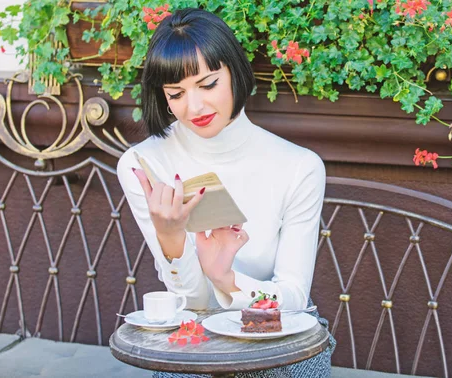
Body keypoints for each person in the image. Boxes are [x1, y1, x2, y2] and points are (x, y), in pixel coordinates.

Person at [116, 8, 335, 378]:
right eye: (176, 93)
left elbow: (295, 300)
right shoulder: (144, 164)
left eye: (208, 84)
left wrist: (227, 280)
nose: (195, 107)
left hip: (277, 339)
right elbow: (193, 304)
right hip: (195, 347)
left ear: (235, 71)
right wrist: (171, 237)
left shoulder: (299, 166)